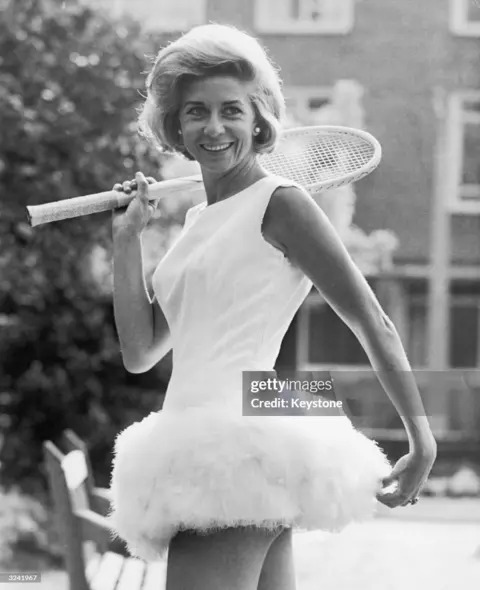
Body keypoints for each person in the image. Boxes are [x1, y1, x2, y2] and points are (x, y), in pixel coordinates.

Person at [108, 23, 437, 590]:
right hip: (194, 436)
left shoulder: (282, 203)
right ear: (174, 125)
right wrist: (126, 240)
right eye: (195, 112)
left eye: (231, 110)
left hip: (238, 445)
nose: (214, 127)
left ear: (259, 119)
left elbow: (371, 319)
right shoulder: (192, 223)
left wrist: (421, 439)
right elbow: (140, 352)